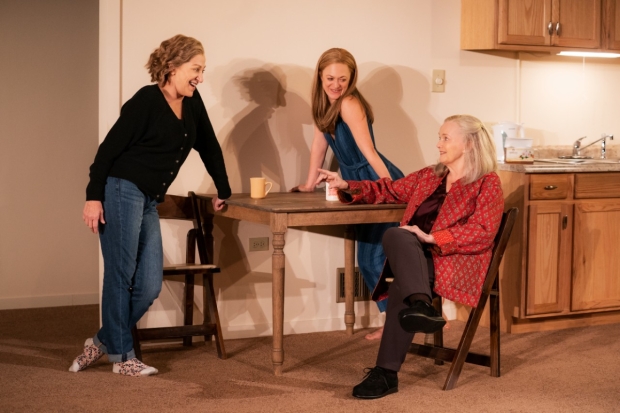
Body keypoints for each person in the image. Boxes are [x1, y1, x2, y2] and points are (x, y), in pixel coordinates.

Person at [70, 34, 231, 377]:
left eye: (202, 70)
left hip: (147, 199)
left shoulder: (192, 101)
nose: (200, 77)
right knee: (120, 275)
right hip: (120, 190)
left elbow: (210, 146)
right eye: (196, 69)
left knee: (149, 284)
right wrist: (92, 196)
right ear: (172, 67)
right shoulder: (145, 101)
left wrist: (224, 189)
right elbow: (107, 151)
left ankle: (100, 341)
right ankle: (122, 357)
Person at [315, 114, 504, 399]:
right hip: (417, 261)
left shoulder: (487, 183)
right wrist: (345, 185)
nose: (438, 144)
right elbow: (388, 189)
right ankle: (421, 308)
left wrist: (433, 238)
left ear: (468, 144)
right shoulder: (430, 176)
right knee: (396, 235)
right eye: (439, 137)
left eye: (445, 138)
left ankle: (388, 370)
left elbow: (483, 231)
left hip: (453, 261)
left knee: (402, 270)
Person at [291, 48, 404, 340]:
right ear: (320, 76)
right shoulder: (324, 104)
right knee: (372, 259)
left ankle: (400, 319)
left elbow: (369, 152)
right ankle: (402, 316)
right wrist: (308, 183)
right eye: (330, 78)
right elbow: (320, 145)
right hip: (354, 185)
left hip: (374, 180)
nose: (336, 84)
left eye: (343, 78)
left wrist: (389, 186)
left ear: (352, 78)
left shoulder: (350, 103)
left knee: (372, 259)